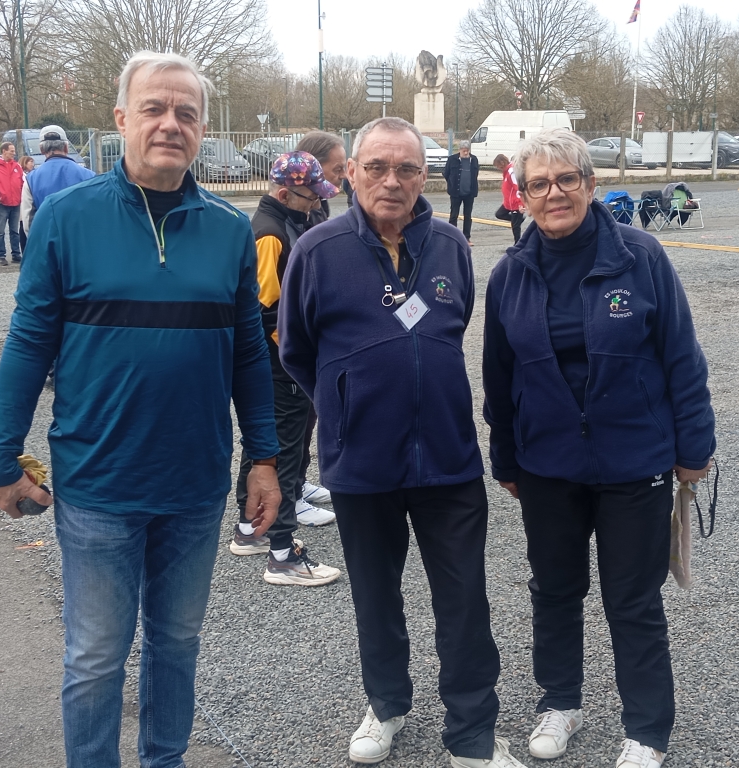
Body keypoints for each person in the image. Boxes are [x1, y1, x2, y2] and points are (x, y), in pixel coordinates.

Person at [0, 50, 280, 768]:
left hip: (195, 484)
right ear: (121, 120)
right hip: (97, 486)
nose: (169, 124)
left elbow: (249, 356)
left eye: (185, 112)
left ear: (202, 128)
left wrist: (263, 458)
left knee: (177, 645)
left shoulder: (230, 231)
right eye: (154, 108)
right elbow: (26, 346)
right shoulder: (65, 219)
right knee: (95, 656)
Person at [280, 116, 526, 768]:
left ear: (426, 176)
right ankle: (386, 705)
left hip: (448, 461)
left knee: (465, 603)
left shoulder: (450, 246)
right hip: (362, 464)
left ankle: (473, 736)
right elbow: (297, 351)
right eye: (377, 167)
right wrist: (347, 406)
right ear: (352, 171)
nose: (392, 181)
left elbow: (453, 325)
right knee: (376, 598)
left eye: (407, 169)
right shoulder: (317, 251)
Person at [481, 130, 716, 768]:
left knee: (632, 598)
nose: (553, 193)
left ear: (589, 184)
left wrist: (695, 447)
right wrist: (505, 459)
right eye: (538, 184)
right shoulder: (509, 275)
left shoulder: (641, 257)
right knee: (554, 590)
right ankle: (560, 702)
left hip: (633, 461)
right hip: (547, 465)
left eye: (566, 180)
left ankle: (645, 729)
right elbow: (498, 379)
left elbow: (681, 358)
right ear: (522, 196)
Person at [230, 151, 341, 582]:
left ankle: (249, 529)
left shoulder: (287, 223)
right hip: (280, 363)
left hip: (281, 360)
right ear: (284, 193)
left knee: (269, 444)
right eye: (311, 196)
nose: (317, 203)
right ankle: (282, 550)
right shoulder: (270, 235)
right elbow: (263, 311)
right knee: (283, 449)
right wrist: (300, 353)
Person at [291, 129, 348, 515]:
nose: (343, 176)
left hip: (318, 335)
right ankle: (287, 496)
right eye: (337, 168)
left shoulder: (317, 209)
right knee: (291, 423)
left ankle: (297, 481)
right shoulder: (287, 221)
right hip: (292, 336)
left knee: (307, 419)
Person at [20, 124, 94, 238]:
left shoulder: (31, 180)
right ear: (66, 147)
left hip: (48, 246)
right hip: (81, 244)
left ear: (41, 149)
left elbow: (28, 221)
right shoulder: (89, 176)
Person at [443, 139, 479, 245]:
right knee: (454, 215)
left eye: (467, 150)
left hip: (469, 193)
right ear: (460, 150)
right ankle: (452, 237)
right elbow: (446, 173)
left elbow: (475, 174)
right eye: (464, 150)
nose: (466, 152)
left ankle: (466, 238)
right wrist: (452, 184)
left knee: (468, 216)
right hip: (456, 193)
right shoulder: (452, 159)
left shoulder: (474, 159)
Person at [493, 153, 525, 243]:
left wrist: (520, 203)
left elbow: (517, 187)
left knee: (515, 227)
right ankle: (519, 220)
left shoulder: (511, 171)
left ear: (502, 163)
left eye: (498, 166)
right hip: (508, 203)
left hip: (515, 203)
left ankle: (518, 244)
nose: (498, 168)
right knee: (499, 214)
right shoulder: (506, 171)